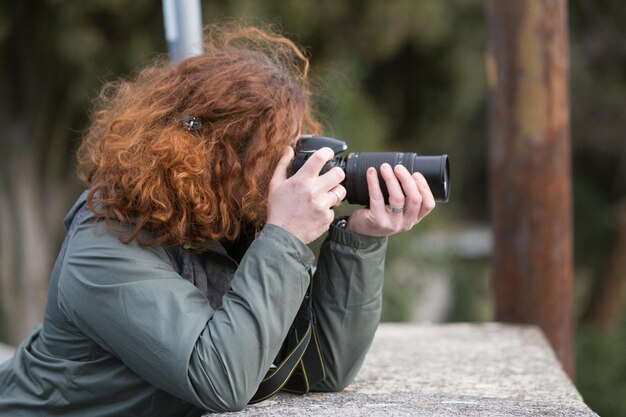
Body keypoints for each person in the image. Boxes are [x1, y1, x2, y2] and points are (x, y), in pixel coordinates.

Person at [0, 24, 435, 416]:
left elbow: (321, 369)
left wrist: (361, 238)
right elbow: (220, 380)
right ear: (213, 156)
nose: (283, 171)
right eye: (270, 154)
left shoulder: (222, 227)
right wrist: (284, 235)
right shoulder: (105, 243)